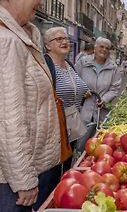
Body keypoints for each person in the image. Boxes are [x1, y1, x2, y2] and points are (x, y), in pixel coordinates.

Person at [0, 0, 60, 212]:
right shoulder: (3, 41)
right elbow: (6, 120)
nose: (40, 2)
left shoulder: (22, 36)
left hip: (27, 172)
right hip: (8, 184)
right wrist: (23, 179)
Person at [43, 27, 89, 172]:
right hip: (54, 132)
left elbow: (73, 88)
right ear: (47, 45)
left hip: (71, 128)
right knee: (52, 174)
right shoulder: (46, 66)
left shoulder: (69, 65)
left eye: (66, 39)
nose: (64, 42)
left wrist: (83, 91)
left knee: (66, 170)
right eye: (59, 39)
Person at [75, 37, 121, 148]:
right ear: (95, 48)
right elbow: (74, 79)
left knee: (98, 145)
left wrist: (104, 99)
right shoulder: (83, 62)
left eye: (107, 48)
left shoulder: (113, 67)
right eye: (101, 46)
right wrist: (82, 91)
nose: (104, 50)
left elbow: (115, 88)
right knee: (80, 143)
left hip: (102, 112)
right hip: (83, 109)